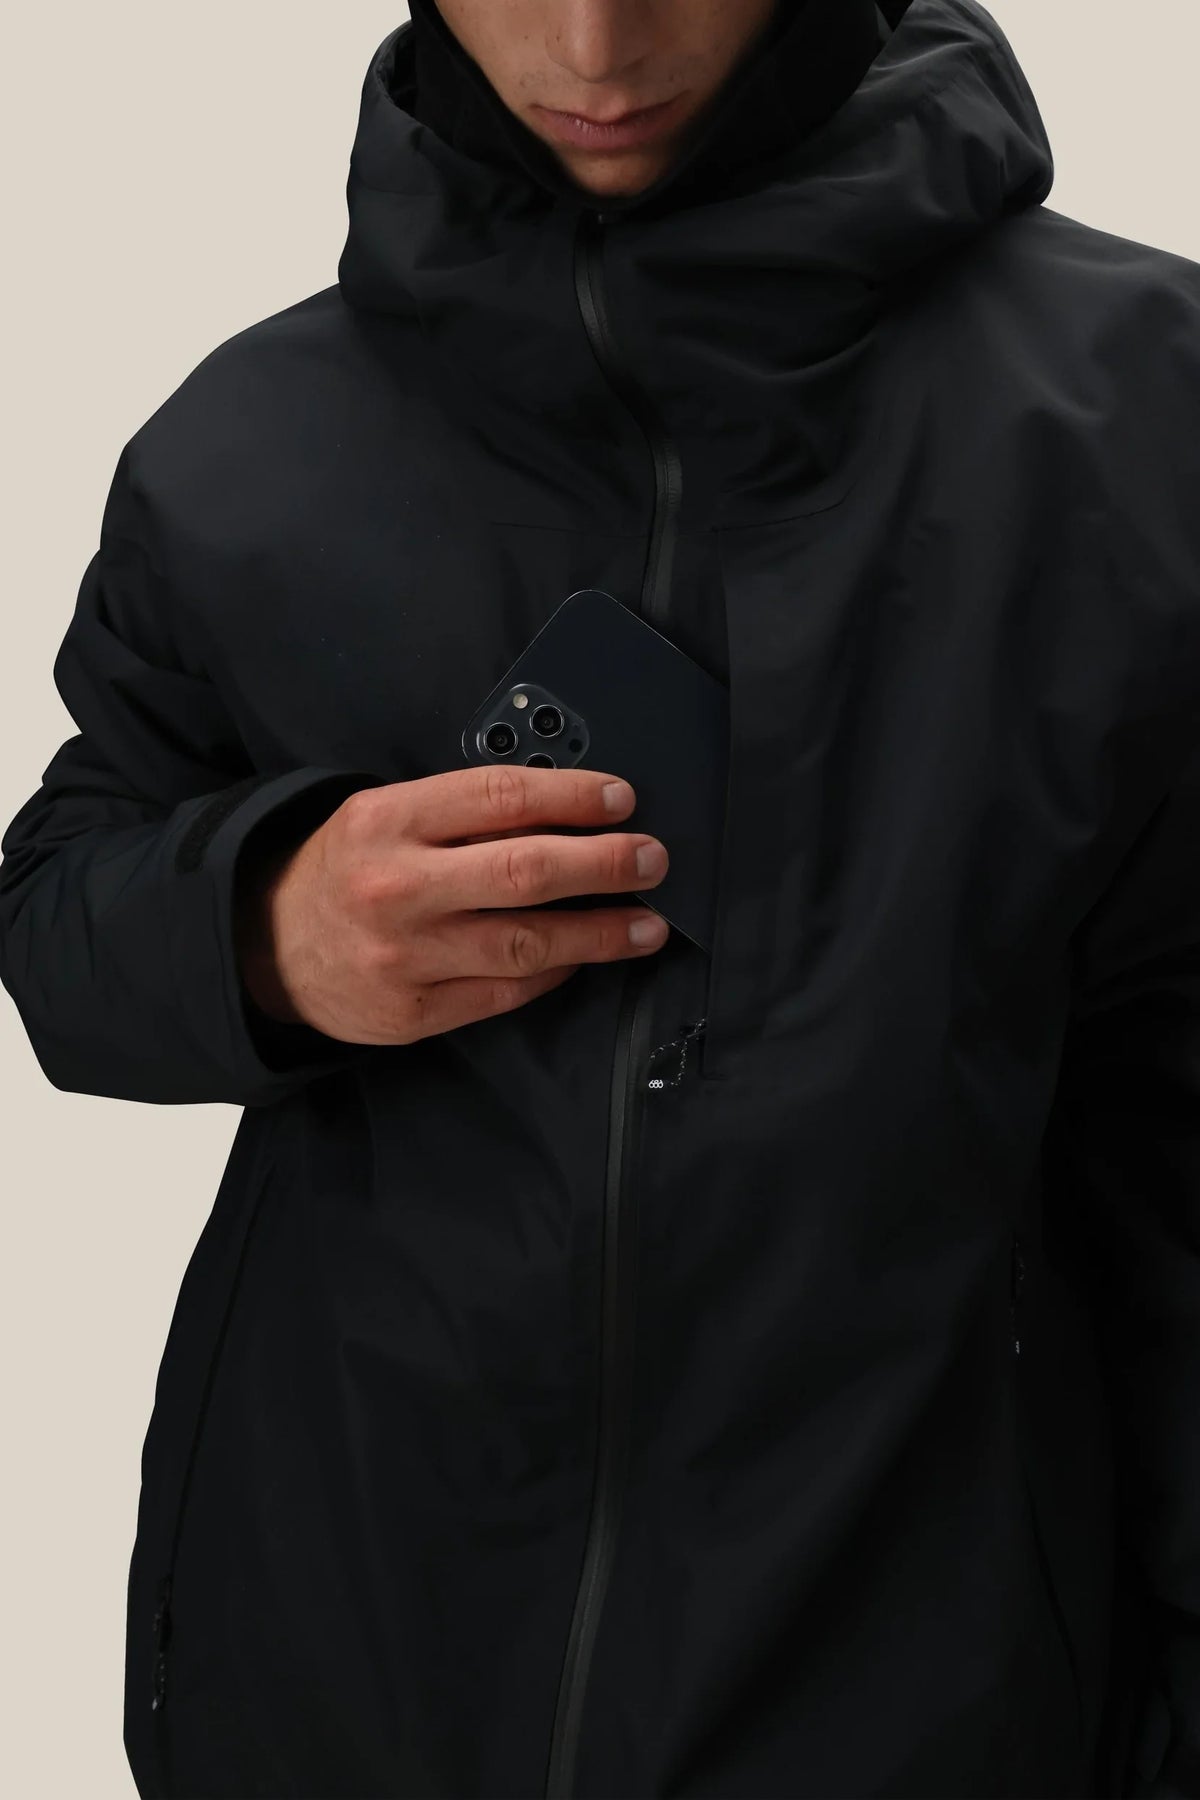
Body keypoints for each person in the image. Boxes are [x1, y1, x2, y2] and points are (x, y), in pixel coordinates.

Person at [2, 0, 1198, 1793]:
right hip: (321, 1678)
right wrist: (259, 927)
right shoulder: (249, 440)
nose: (592, 45)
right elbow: (57, 896)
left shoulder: (1148, 419)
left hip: (922, 1707)